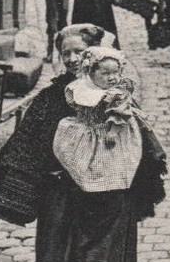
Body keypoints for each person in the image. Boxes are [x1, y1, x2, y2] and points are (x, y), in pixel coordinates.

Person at [0, 24, 166, 262]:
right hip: (63, 203)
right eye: (64, 52)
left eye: (77, 51)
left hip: (109, 204)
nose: (70, 58)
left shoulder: (118, 96)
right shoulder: (54, 97)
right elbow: (28, 143)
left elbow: (139, 147)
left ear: (95, 54)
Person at [53, 47, 146, 193]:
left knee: (108, 164)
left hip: (110, 133)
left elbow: (120, 115)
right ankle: (86, 188)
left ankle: (109, 190)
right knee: (84, 163)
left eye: (115, 72)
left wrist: (113, 132)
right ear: (91, 73)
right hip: (87, 130)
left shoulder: (116, 94)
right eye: (105, 73)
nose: (112, 77)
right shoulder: (82, 88)